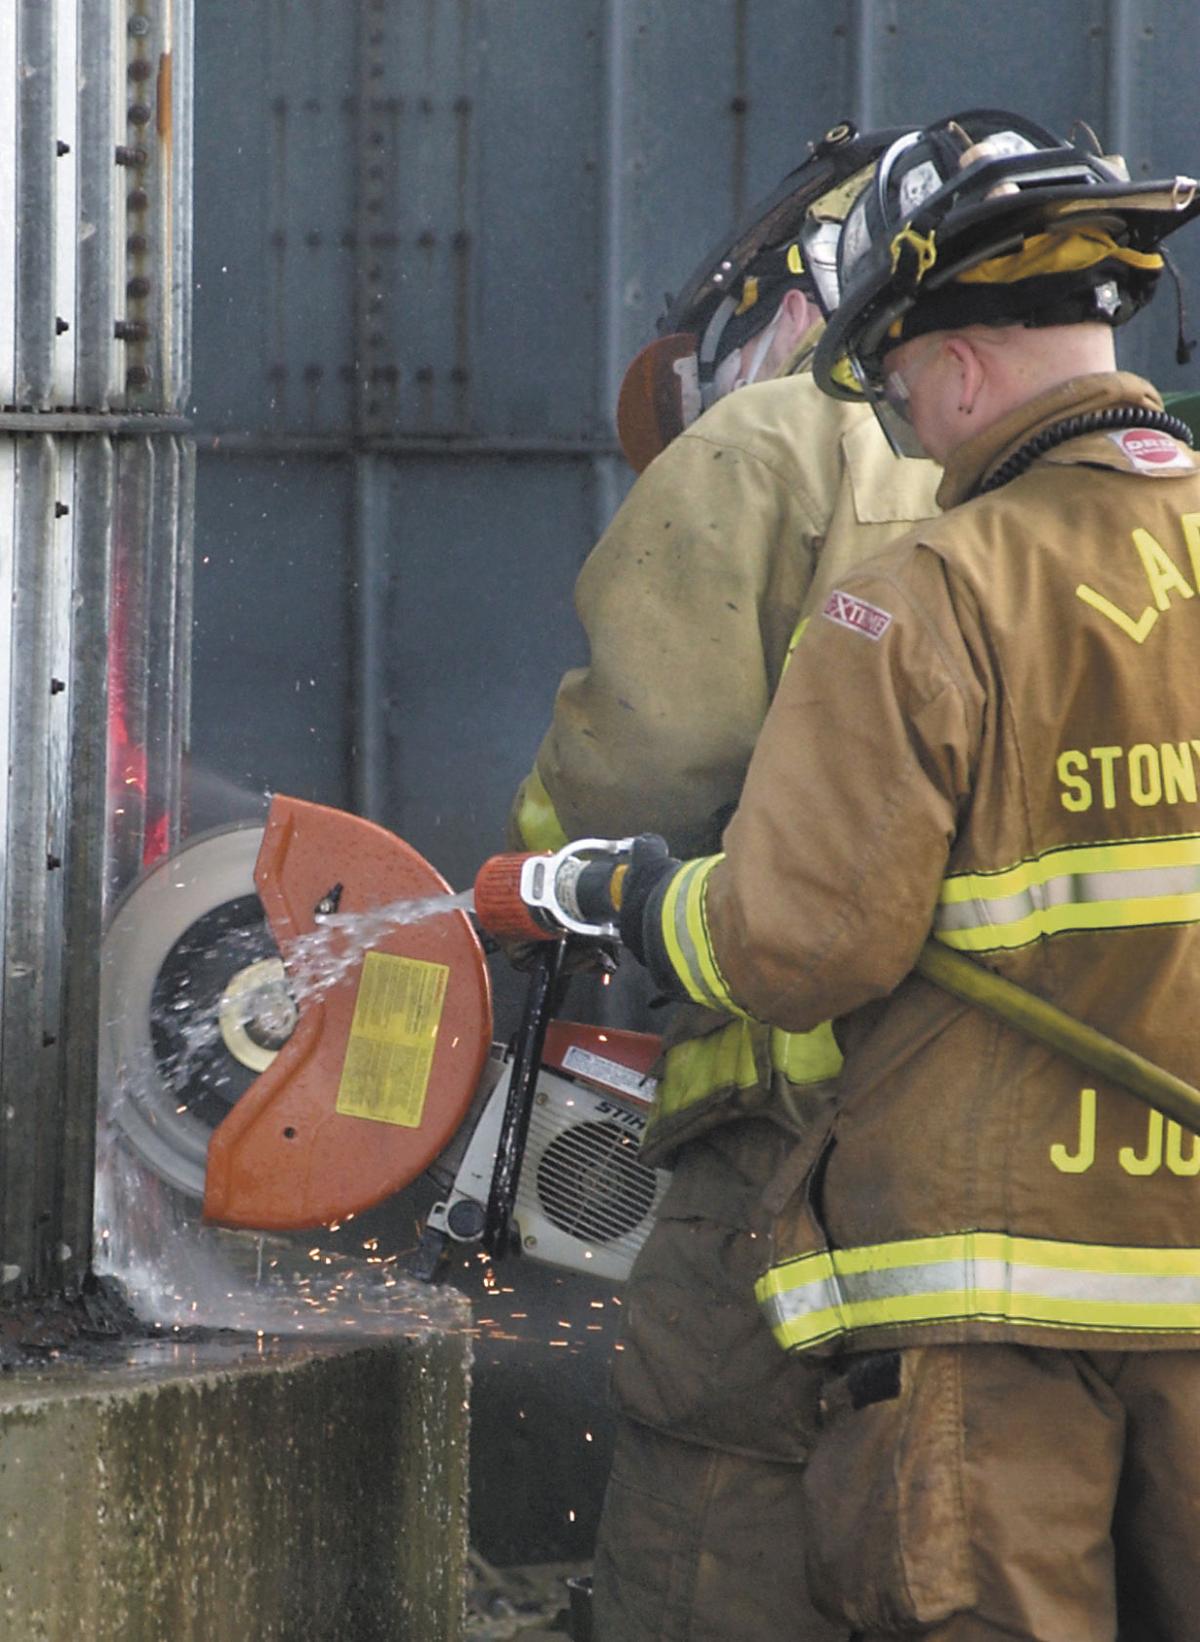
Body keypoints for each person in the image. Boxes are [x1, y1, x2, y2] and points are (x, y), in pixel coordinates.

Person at [596, 110, 1200, 1640]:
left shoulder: (922, 601)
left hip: (993, 1314)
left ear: (965, 359)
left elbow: (801, 943)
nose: (912, 430)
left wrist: (642, 901)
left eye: (904, 379)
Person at [507, 124, 941, 1642]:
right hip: (1030, 1136)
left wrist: (541, 861)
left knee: (720, 1491)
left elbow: (637, 773)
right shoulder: (1118, 493)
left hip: (787, 1120)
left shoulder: (766, 445)